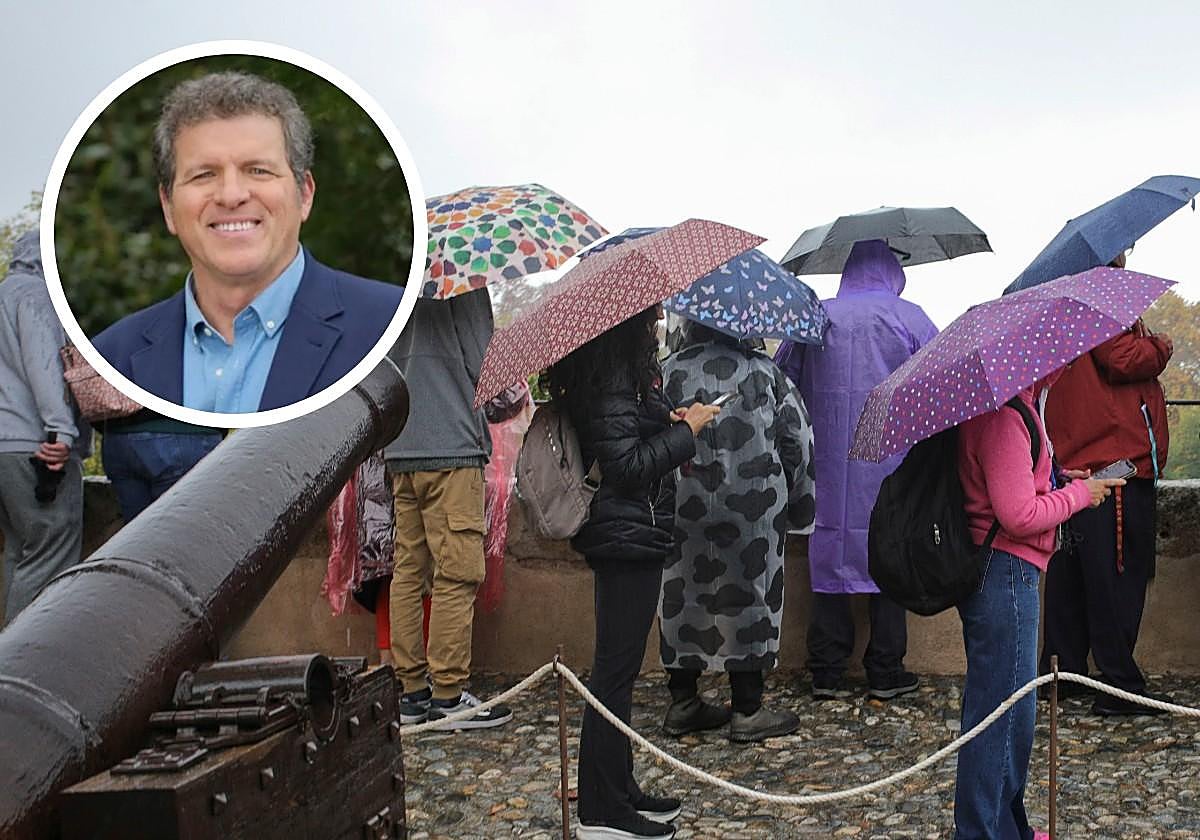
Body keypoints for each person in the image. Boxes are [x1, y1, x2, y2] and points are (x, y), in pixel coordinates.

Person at [92, 71, 403, 413]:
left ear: (305, 195)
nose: (231, 195)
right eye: (204, 174)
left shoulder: (395, 327)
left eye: (258, 171)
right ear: (168, 206)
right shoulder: (112, 357)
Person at [544, 305, 718, 840]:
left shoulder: (615, 367)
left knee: (617, 670)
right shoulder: (616, 370)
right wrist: (685, 433)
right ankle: (602, 808)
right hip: (625, 534)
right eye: (654, 310)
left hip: (630, 533)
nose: (661, 317)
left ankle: (618, 787)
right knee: (613, 674)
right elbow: (625, 467)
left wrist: (663, 419)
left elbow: (625, 436)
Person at [954, 376, 1122, 840]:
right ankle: (982, 833)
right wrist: (1078, 498)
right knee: (1001, 716)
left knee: (1009, 714)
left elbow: (1015, 489)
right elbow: (1018, 516)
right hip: (1005, 572)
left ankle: (1005, 829)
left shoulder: (1011, 407)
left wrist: (1061, 481)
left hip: (1002, 571)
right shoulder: (1005, 417)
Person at [775, 238, 937, 700]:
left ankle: (827, 668)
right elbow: (939, 379)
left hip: (825, 462)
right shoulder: (910, 318)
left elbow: (782, 379)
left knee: (829, 550)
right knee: (890, 551)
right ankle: (886, 667)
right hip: (891, 464)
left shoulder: (815, 317)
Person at [659, 321, 816, 742]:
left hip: (683, 505)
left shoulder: (666, 371)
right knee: (754, 596)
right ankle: (747, 709)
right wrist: (800, 505)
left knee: (681, 595)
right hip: (754, 509)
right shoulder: (764, 373)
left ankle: (683, 702)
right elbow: (798, 441)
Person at [1039, 252, 1174, 715]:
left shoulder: (1066, 303)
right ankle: (1118, 685)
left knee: (1072, 573)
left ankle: (1061, 675)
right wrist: (1161, 345)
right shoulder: (1105, 299)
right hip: (1116, 462)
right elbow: (1121, 358)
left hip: (1077, 463)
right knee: (1120, 570)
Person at [384, 288, 512, 729]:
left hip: (401, 442)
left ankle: (412, 692)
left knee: (408, 572)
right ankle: (449, 694)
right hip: (452, 444)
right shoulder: (461, 277)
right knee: (457, 572)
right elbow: (485, 364)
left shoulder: (395, 278)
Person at [0, 231, 91, 623]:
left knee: (20, 551)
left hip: (5, 448)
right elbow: (44, 366)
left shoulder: (4, 292)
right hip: (36, 446)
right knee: (51, 550)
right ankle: (20, 666)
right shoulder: (36, 295)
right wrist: (62, 431)